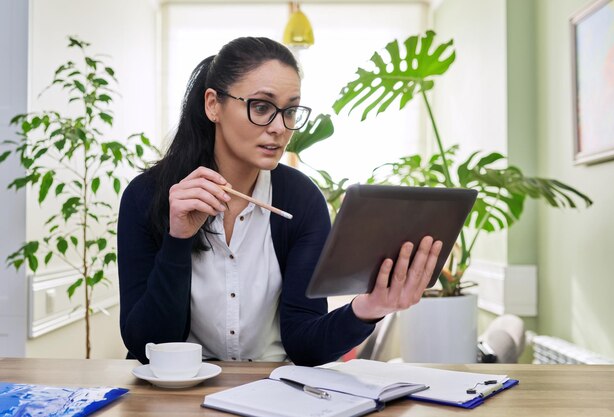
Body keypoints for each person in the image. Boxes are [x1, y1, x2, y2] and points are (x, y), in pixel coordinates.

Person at [117, 36, 442, 366]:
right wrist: (179, 239)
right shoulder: (146, 197)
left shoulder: (301, 201)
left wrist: (369, 308)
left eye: (290, 111)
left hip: (273, 390)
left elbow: (304, 344)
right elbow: (146, 344)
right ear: (213, 104)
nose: (279, 128)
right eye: (261, 107)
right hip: (178, 394)